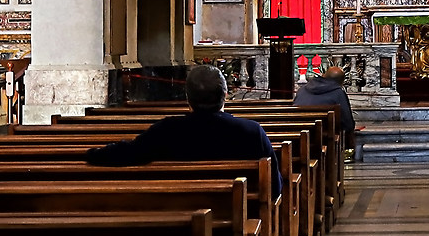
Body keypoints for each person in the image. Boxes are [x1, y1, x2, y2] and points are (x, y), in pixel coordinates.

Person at [85, 63, 282, 198]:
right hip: (240, 221)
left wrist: (93, 153)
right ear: (225, 95)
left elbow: (129, 153)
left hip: (178, 223)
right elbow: (275, 188)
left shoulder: (166, 131)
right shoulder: (251, 132)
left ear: (188, 98)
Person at [293, 65, 360, 161]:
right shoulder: (338, 93)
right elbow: (347, 122)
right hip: (323, 138)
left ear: (323, 75)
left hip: (297, 134)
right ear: (341, 82)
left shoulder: (303, 89)